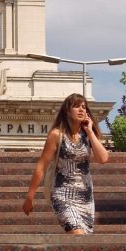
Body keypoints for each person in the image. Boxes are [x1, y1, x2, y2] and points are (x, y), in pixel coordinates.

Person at [22, 93, 109, 235]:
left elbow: (103, 158)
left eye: (84, 107)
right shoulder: (57, 134)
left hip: (85, 196)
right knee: (77, 234)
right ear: (67, 111)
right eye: (76, 106)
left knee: (83, 241)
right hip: (63, 194)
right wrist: (30, 196)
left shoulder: (87, 135)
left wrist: (90, 131)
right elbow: (41, 166)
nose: (81, 110)